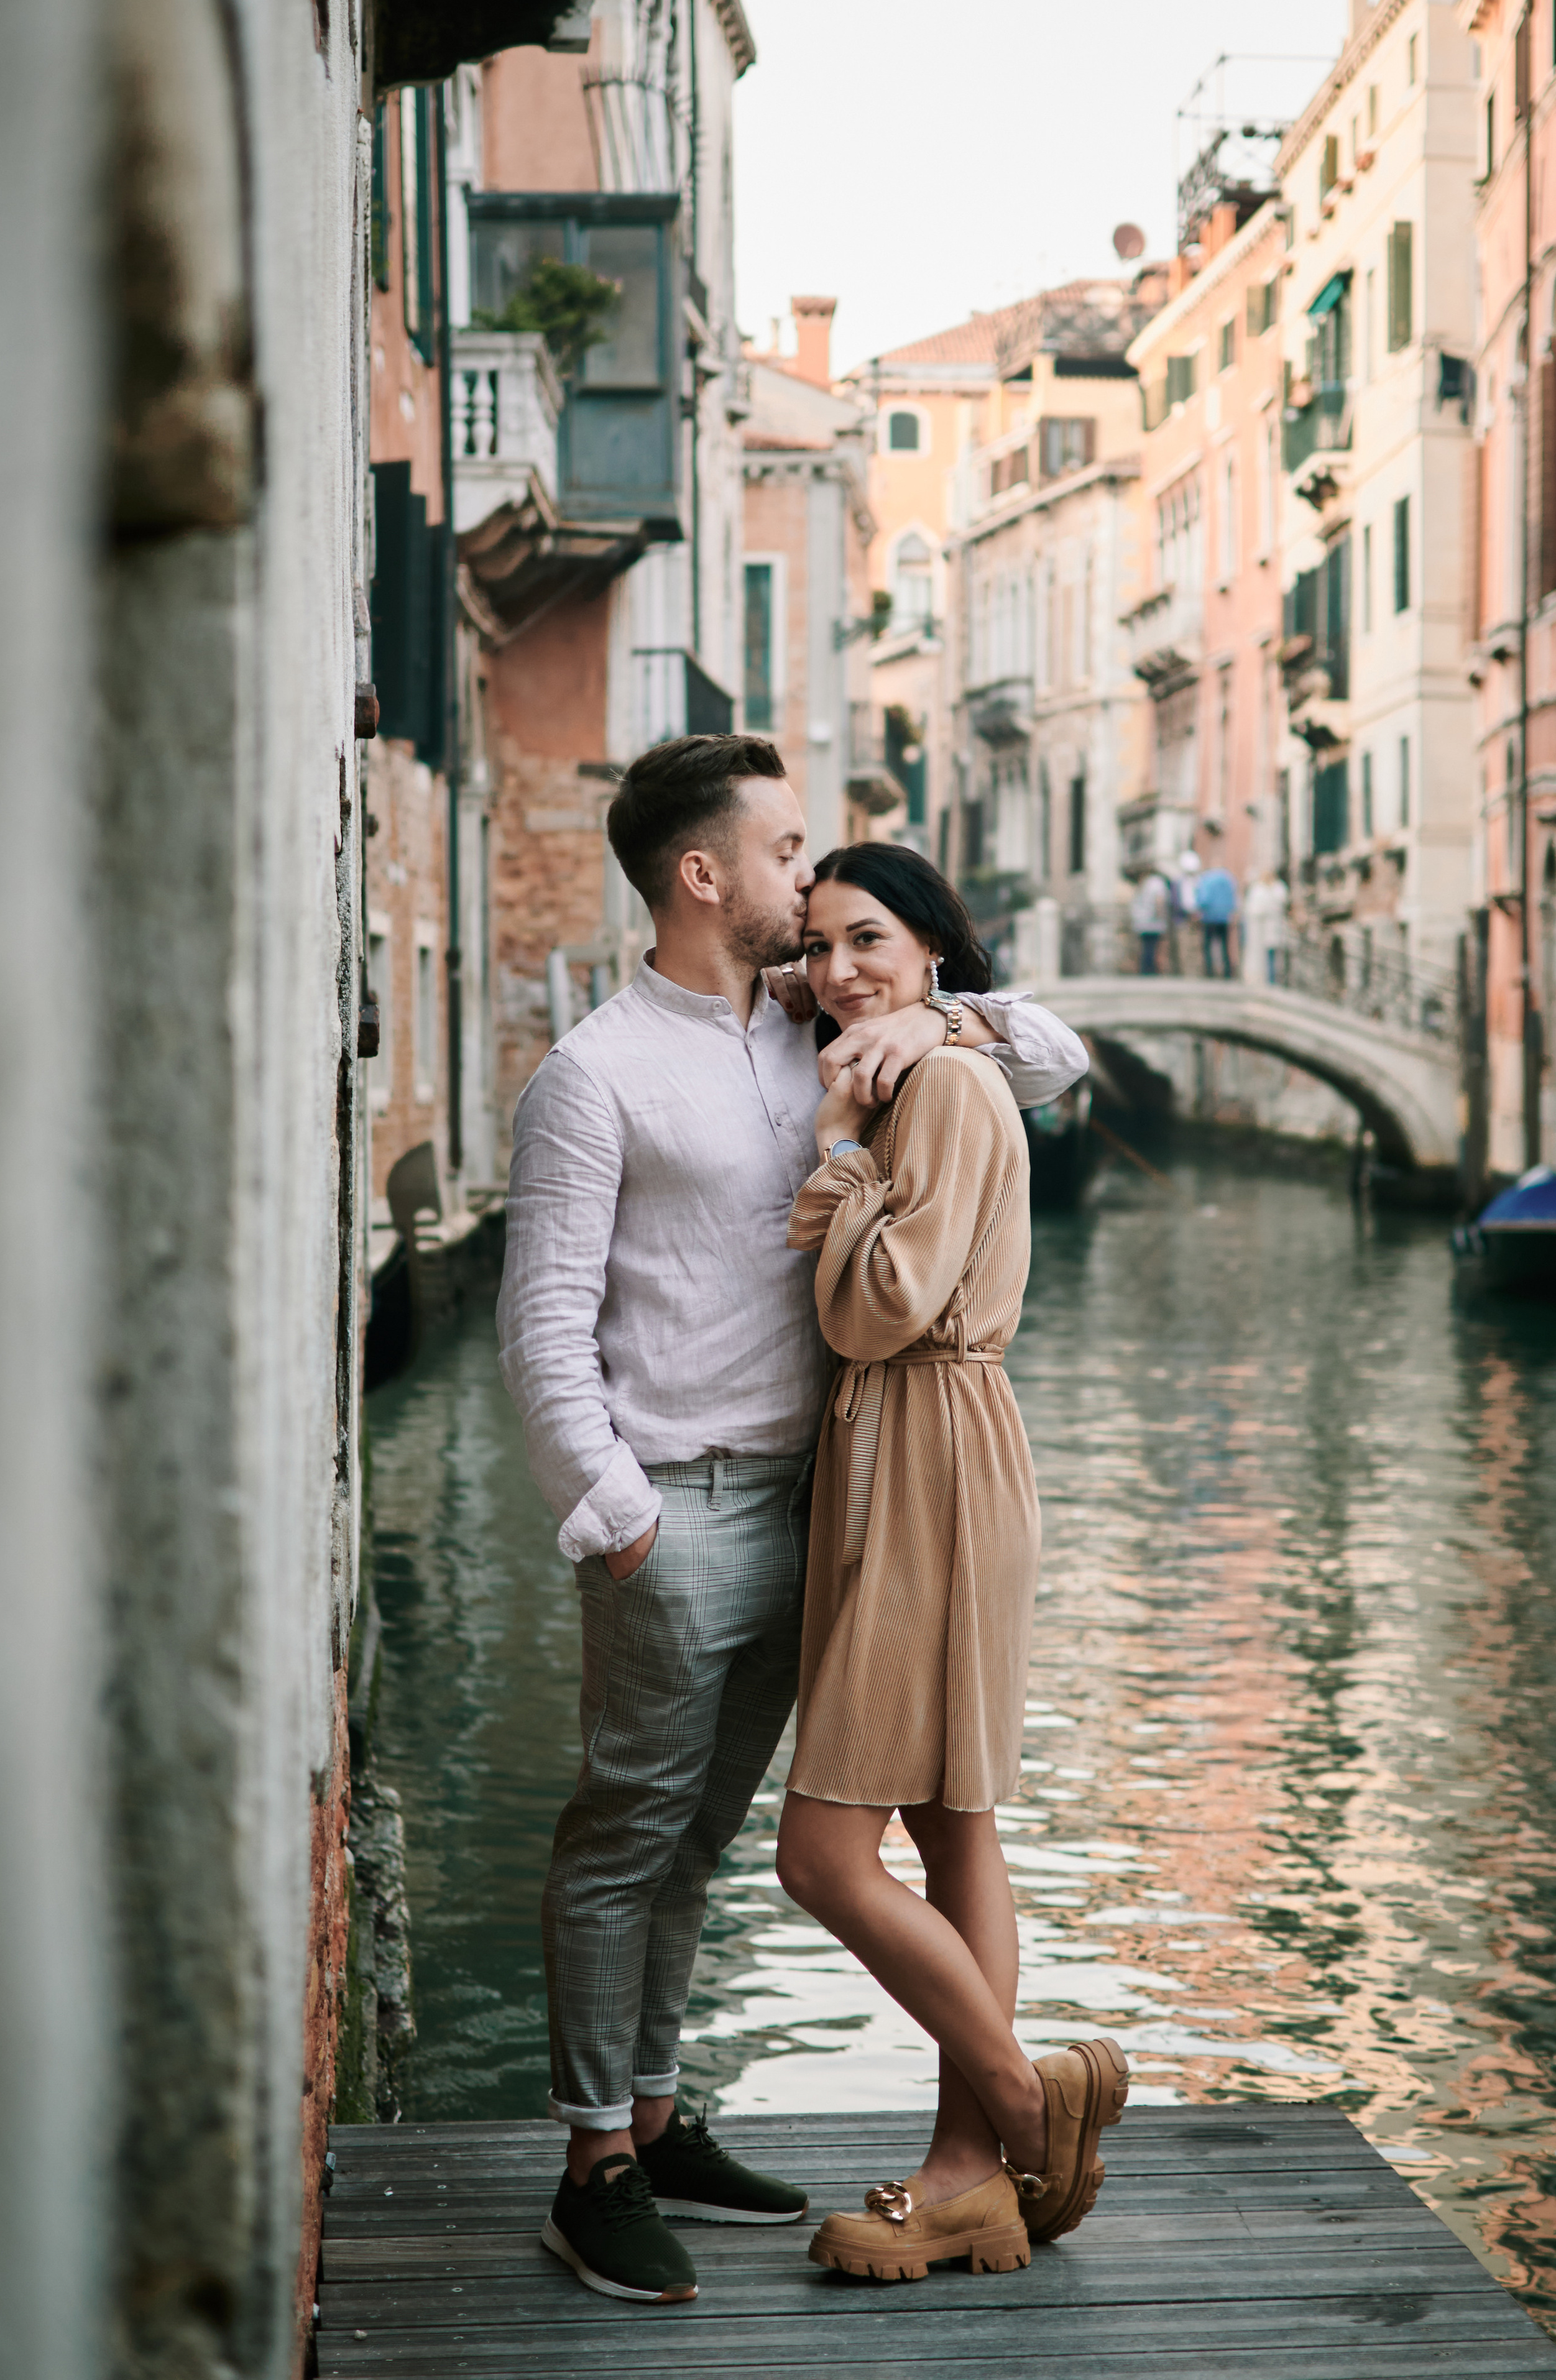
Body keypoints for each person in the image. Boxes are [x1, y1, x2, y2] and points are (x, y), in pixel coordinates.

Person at [496, 733, 1089, 2305]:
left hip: (830, 1506)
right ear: (705, 874)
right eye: (782, 856)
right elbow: (542, 1327)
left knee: (699, 1837)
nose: (805, 889)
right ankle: (593, 2164)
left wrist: (934, 1012)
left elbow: (1044, 1049)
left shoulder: (806, 1022)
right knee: (624, 1835)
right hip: (673, 1508)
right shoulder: (593, 1073)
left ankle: (659, 2110)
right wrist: (613, 1513)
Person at [773, 842, 1128, 2287]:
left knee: (820, 1853)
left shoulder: (938, 1086)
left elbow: (877, 1308)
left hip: (924, 1439)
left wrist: (834, 1160)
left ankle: (1023, 2107)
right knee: (950, 1823)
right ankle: (966, 2179)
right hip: (923, 1444)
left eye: (867, 939)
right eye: (815, 946)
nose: (838, 968)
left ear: (932, 950)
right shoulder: (915, 1069)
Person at [1243, 867, 1289, 986]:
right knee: (1268, 953)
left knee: (1272, 953)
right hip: (1263, 928)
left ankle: (1273, 978)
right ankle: (1269, 978)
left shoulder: (1275, 889)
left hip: (1270, 927)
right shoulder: (1264, 890)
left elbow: (1255, 909)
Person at [1194, 860, 1238, 979]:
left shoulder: (1207, 879)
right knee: (1224, 945)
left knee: (1208, 945)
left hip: (1210, 916)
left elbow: (1204, 899)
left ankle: (1210, 971)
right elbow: (1234, 899)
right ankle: (1227, 972)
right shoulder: (1229, 879)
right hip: (1225, 917)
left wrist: (1200, 909)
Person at [1129, 865, 1171, 974]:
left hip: (1141, 921)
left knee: (1145, 947)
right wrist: (1162, 916)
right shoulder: (1157, 883)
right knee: (1152, 948)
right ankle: (1150, 971)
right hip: (1153, 922)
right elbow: (1159, 901)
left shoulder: (1143, 883)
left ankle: (1144, 970)